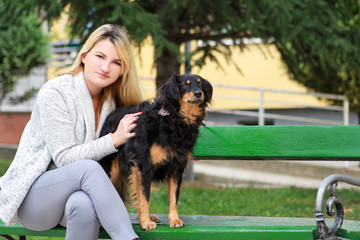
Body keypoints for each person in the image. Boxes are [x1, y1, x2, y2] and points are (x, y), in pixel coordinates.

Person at [0, 24, 143, 240]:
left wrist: (187, 129)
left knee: (84, 205)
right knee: (88, 168)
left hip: (72, 203)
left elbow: (150, 123)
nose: (106, 67)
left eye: (116, 62)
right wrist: (113, 140)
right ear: (84, 56)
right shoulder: (56, 92)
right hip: (32, 200)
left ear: (123, 69)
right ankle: (127, 238)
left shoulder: (114, 103)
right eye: (100, 56)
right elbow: (65, 158)